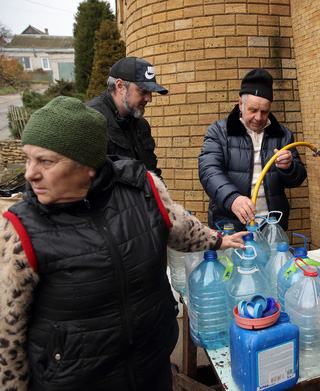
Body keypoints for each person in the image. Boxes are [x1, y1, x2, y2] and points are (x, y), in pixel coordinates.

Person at [0, 96, 246, 390]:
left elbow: (180, 226)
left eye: (45, 161)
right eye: (28, 159)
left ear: (86, 164)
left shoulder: (141, 188)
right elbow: (7, 333)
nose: (30, 174)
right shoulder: (20, 228)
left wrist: (220, 240)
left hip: (150, 368)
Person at [198, 68, 307, 231]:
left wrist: (289, 168)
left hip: (271, 226)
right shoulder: (219, 131)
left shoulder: (283, 135)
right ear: (240, 104)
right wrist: (232, 199)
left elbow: (297, 178)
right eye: (253, 110)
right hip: (231, 225)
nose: (258, 117)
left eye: (264, 112)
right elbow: (209, 171)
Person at [87, 56, 166, 178]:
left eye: (151, 93)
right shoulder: (91, 121)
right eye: (143, 91)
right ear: (120, 86)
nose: (149, 99)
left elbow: (152, 173)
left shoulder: (141, 125)